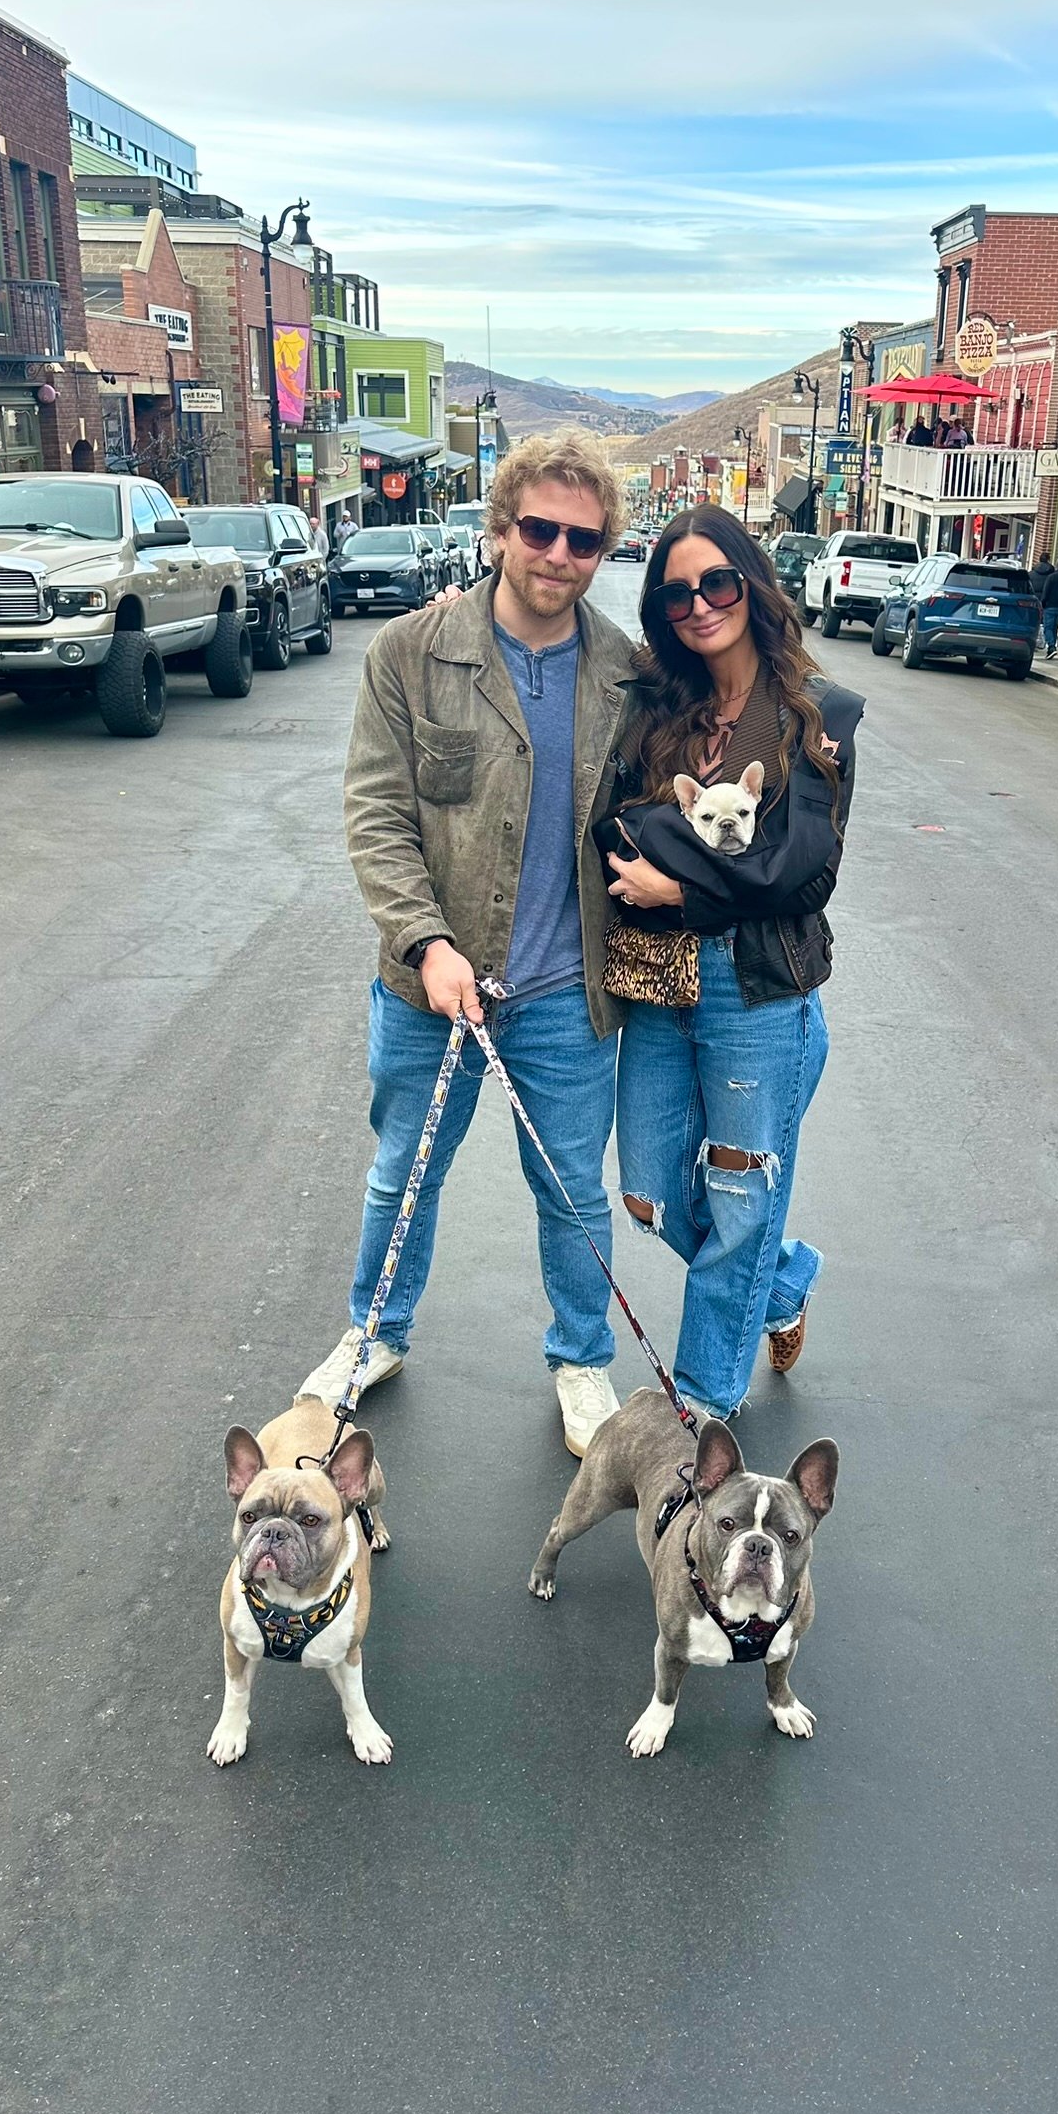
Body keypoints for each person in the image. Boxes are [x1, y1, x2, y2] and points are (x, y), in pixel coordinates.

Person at [298, 431, 638, 1457]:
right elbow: (376, 818)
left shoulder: (627, 675)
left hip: (565, 995)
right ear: (499, 531)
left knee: (574, 1191)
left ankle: (582, 1358)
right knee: (402, 1173)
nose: (558, 553)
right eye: (539, 529)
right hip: (430, 989)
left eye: (582, 539)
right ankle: (374, 1333)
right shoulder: (411, 653)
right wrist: (425, 942)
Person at [599, 506, 863, 1425]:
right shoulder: (658, 707)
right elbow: (620, 827)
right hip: (659, 987)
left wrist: (684, 890)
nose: (699, 604)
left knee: (741, 1203)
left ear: (751, 584)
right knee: (655, 1192)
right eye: (676, 591)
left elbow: (805, 871)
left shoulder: (816, 716)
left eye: (717, 581)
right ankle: (781, 1281)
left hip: (758, 992)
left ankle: (703, 1407)